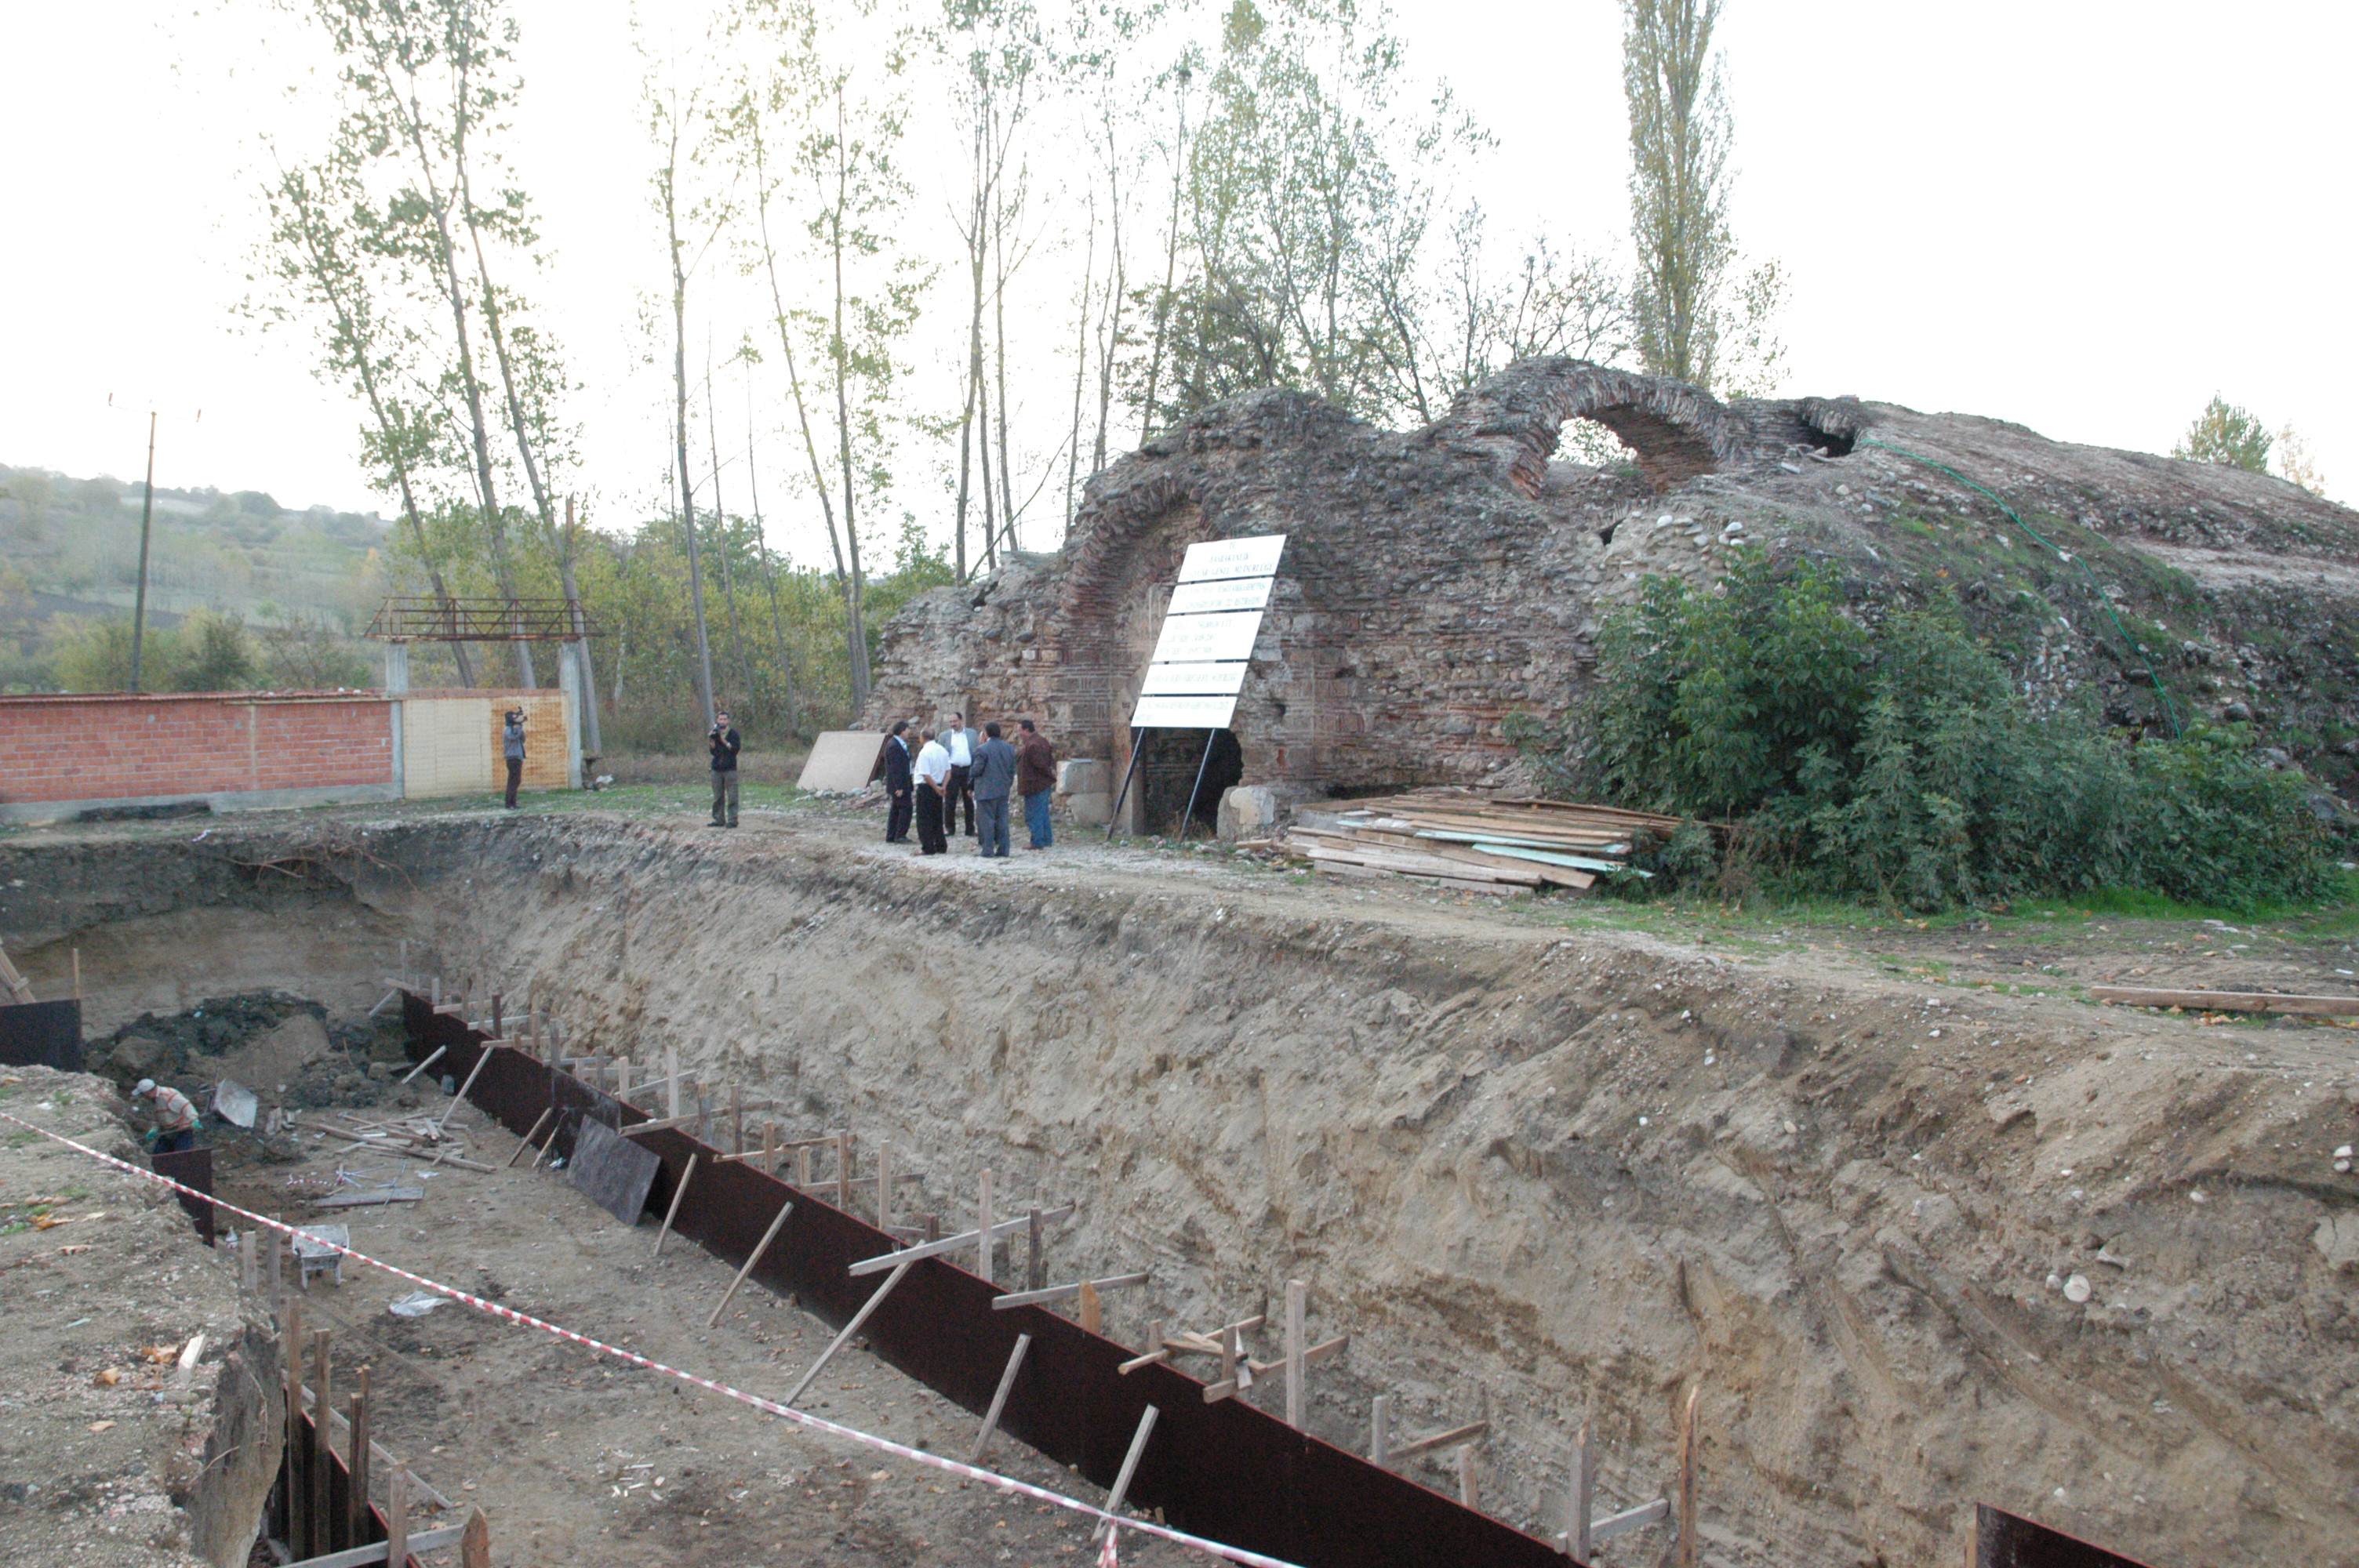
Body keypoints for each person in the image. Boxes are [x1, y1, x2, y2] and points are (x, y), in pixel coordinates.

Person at [970, 720, 1020, 858]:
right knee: (1002, 820)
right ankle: (1004, 849)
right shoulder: (1009, 748)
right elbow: (1012, 769)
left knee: (986, 821)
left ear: (986, 733)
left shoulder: (982, 749)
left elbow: (977, 770)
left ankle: (987, 849)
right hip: (1003, 789)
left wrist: (971, 772)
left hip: (986, 790)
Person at [1016, 718, 1057, 850]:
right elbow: (1050, 760)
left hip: (1035, 785)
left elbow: (1040, 765)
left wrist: (1050, 772)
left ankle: (1037, 842)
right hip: (1042, 784)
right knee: (1043, 813)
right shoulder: (1041, 741)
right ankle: (1046, 839)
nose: (1019, 733)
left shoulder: (1033, 745)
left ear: (1027, 730)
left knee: (1034, 814)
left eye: (1020, 730)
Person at [133, 1079, 199, 1155]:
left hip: (182, 1130)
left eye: (143, 1094)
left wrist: (194, 1120)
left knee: (183, 1156)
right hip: (167, 1131)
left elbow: (187, 1106)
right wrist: (154, 1129)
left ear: (148, 1092)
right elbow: (158, 1118)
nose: (143, 1097)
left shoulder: (169, 1095)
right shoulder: (155, 1100)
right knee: (159, 1155)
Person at [912, 727, 951, 855]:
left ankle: (927, 847)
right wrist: (943, 787)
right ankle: (940, 845)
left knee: (924, 819)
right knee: (937, 817)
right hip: (940, 785)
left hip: (927, 787)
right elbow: (948, 771)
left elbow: (925, 774)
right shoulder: (943, 751)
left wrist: (936, 788)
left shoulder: (925, 752)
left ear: (922, 738)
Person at [943, 713, 979, 837]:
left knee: (968, 800)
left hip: (968, 770)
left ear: (961, 720)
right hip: (953, 770)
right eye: (951, 722)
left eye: (955, 721)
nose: (953, 724)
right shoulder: (945, 736)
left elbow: (976, 750)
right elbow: (942, 754)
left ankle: (970, 829)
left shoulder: (972, 734)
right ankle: (949, 828)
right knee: (950, 800)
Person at [881, 720, 914, 844]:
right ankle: (900, 834)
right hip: (899, 784)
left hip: (902, 782)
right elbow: (895, 768)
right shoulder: (894, 745)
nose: (909, 732)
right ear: (902, 731)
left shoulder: (897, 744)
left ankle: (892, 835)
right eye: (907, 729)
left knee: (896, 809)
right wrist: (899, 786)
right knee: (906, 808)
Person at [708, 708, 742, 827]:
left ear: (728, 721)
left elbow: (735, 749)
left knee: (732, 796)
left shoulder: (733, 734)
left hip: (730, 769)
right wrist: (712, 741)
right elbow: (713, 752)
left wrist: (723, 740)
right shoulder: (715, 733)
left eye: (725, 719)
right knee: (718, 796)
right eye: (720, 719)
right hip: (716, 768)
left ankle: (733, 820)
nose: (722, 722)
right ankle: (719, 819)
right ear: (717, 720)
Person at [501, 709, 527, 808]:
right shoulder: (507, 730)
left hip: (518, 758)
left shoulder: (515, 729)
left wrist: (520, 726)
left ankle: (513, 803)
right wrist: (519, 726)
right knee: (512, 781)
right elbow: (513, 738)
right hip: (512, 759)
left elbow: (522, 739)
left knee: (516, 781)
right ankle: (509, 804)